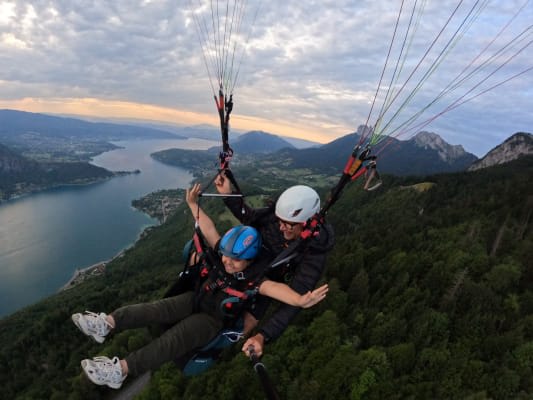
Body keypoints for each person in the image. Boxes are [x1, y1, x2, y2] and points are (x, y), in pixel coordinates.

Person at [72, 183, 328, 389]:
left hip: (212, 319)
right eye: (226, 255)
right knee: (154, 309)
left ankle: (120, 371)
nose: (227, 261)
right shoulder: (228, 255)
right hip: (199, 297)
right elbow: (211, 232)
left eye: (234, 259)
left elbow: (273, 290)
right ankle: (106, 324)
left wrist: (298, 300)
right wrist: (193, 205)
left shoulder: (254, 276)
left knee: (172, 341)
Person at [214, 172, 335, 357]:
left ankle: (215, 347)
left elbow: (295, 298)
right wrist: (228, 195)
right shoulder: (279, 215)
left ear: (306, 223)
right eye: (281, 222)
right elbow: (251, 218)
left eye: (289, 225)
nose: (281, 227)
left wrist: (263, 336)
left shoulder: (313, 251)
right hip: (245, 257)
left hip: (266, 280)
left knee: (247, 324)